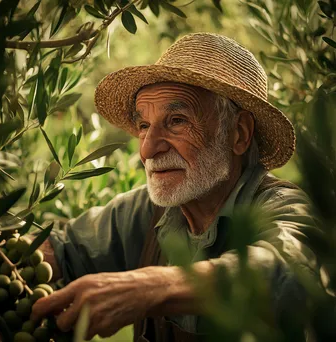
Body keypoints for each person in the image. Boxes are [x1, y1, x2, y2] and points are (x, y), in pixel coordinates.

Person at [31, 33, 318, 341]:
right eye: (144, 126)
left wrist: (151, 288)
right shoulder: (147, 211)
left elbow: (289, 270)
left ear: (238, 133)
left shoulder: (284, 206)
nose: (147, 150)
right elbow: (60, 250)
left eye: (177, 121)